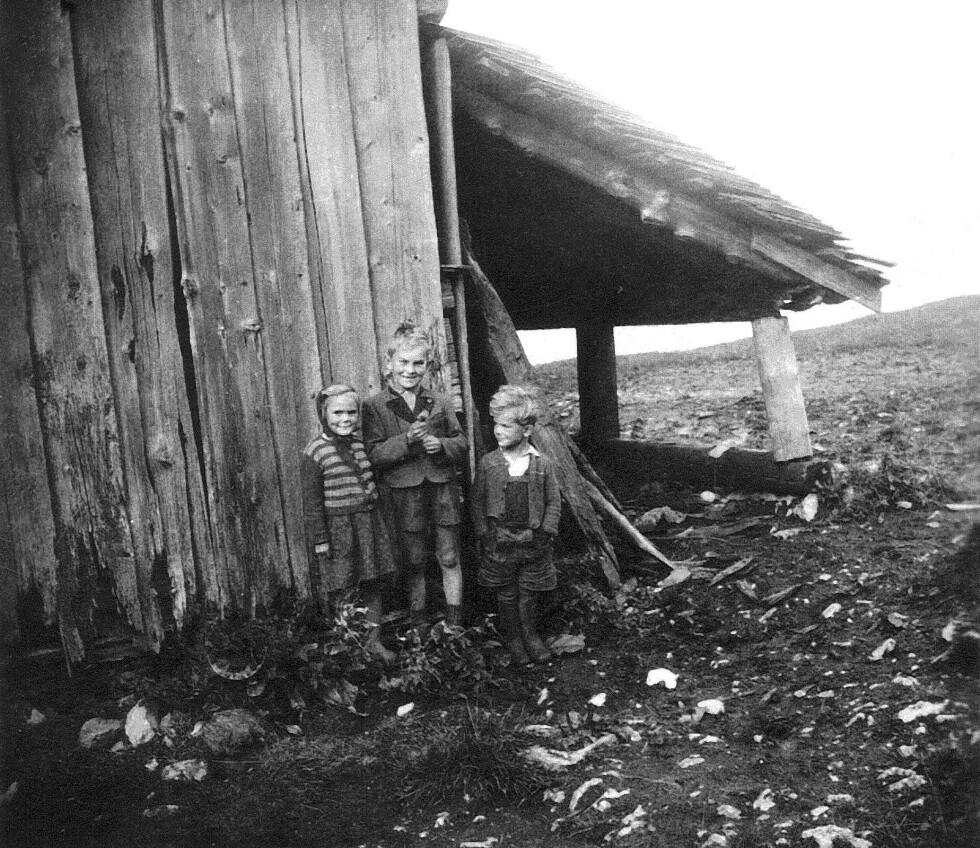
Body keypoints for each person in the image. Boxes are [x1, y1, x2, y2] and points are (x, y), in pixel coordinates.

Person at [361, 322, 468, 628]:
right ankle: (419, 624)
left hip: (442, 488)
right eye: (403, 362)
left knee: (449, 556)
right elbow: (374, 455)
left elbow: (462, 442)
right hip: (404, 493)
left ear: (428, 365)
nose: (410, 370)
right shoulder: (374, 406)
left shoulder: (440, 400)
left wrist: (441, 445)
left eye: (418, 363)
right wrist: (406, 441)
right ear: (389, 363)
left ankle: (455, 625)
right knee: (415, 560)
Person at [301, 384, 397, 664]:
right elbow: (312, 503)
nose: (345, 419)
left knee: (372, 582)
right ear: (323, 414)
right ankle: (348, 644)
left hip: (368, 523)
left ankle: (374, 642)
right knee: (343, 584)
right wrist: (321, 539)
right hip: (339, 529)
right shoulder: (315, 452)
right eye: (337, 413)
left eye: (351, 413)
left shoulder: (359, 444)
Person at [472, 385, 561, 665]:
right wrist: (484, 534)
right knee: (506, 592)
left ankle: (531, 635)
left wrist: (545, 532)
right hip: (500, 543)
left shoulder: (543, 465)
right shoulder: (488, 464)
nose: (498, 431)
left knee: (528, 591)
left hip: (533, 542)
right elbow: (477, 502)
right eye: (496, 424)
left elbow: (553, 501)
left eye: (506, 426)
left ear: (526, 430)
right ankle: (513, 639)